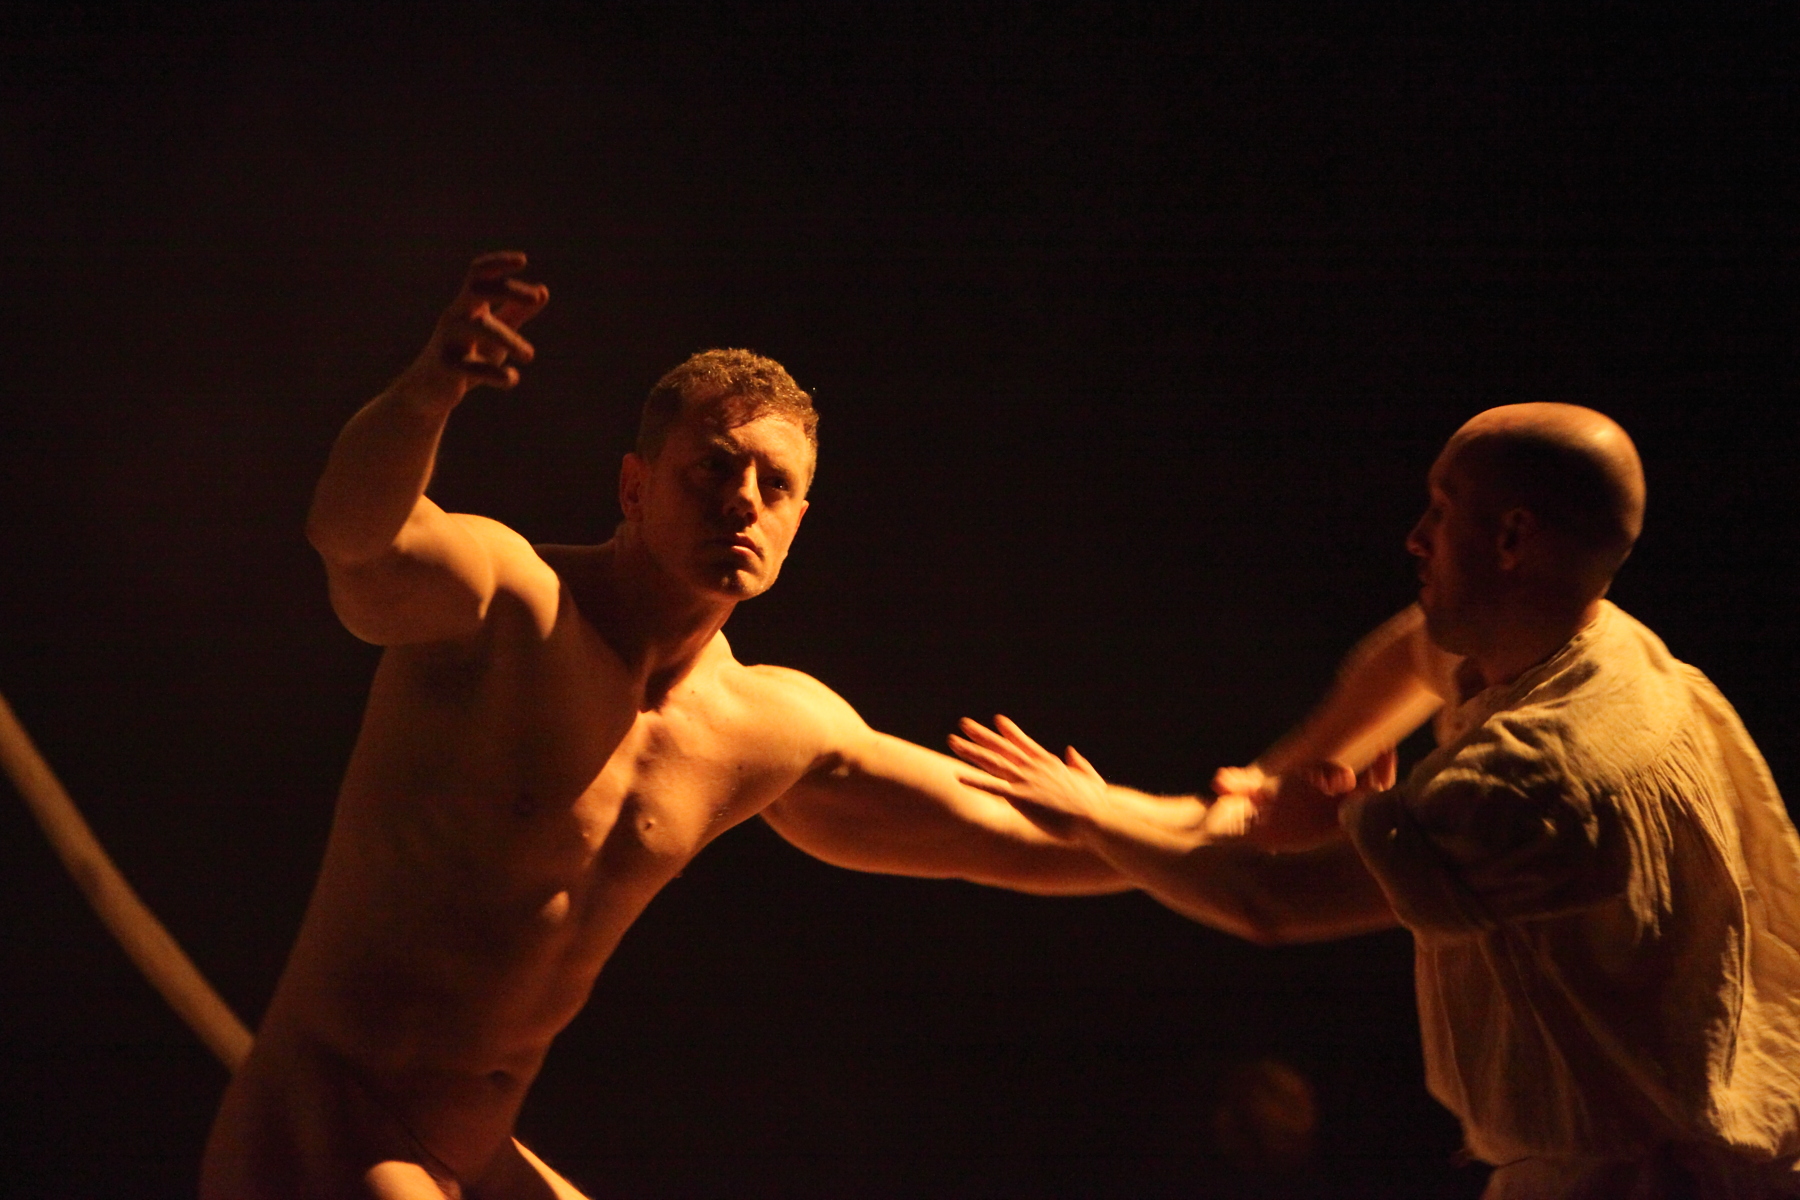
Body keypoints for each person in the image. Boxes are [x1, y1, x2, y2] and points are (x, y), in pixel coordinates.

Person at [199, 252, 1126, 1200]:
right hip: (333, 1126)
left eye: (775, 486)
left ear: (799, 521)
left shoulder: (770, 727)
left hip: (472, 1155)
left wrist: (1161, 832)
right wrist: (428, 391)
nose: (743, 500)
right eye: (713, 468)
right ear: (636, 488)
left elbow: (1004, 839)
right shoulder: (513, 607)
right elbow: (358, 541)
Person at [952, 403, 1800, 1198]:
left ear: (1513, 537)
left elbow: (1269, 902)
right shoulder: (1590, 639)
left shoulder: (1536, 775)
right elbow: (1414, 653)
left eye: (1442, 508)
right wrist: (1290, 780)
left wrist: (1092, 813)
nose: (1415, 537)